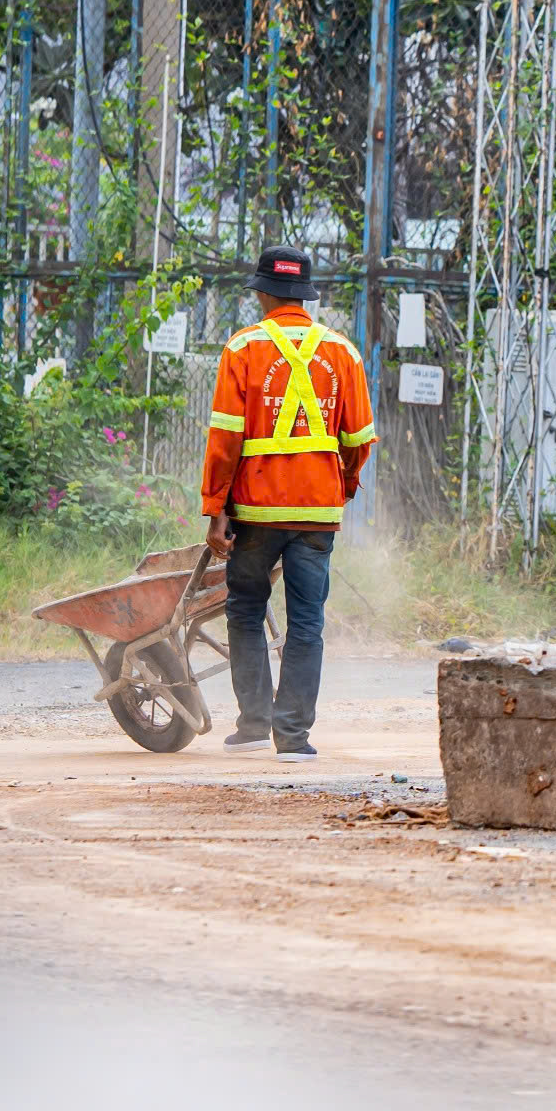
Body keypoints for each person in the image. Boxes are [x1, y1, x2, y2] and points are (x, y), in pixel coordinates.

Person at [199, 246, 377, 761]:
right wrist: (339, 483)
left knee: (247, 609)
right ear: (305, 295)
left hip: (256, 510)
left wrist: (217, 509)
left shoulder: (243, 349)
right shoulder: (343, 353)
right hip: (316, 514)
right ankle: (293, 737)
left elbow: (226, 438)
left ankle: (254, 725)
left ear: (261, 292)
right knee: (306, 623)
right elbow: (360, 437)